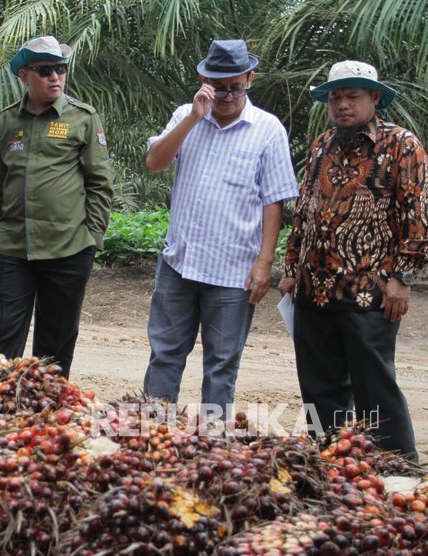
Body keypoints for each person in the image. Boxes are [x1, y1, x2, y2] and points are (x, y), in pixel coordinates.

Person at [279, 61, 427, 461]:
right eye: (336, 96)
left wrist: (402, 278)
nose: (343, 104)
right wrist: (292, 271)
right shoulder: (321, 145)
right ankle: (334, 468)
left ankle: (398, 473)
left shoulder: (401, 146)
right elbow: (304, 213)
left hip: (371, 292)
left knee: (375, 388)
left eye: (352, 96)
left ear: (374, 98)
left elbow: (416, 217)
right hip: (314, 290)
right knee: (319, 388)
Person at [142, 39, 298, 418]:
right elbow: (155, 162)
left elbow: (273, 201)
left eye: (236, 86)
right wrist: (194, 118)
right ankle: (151, 439)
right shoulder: (185, 115)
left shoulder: (268, 130)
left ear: (250, 79)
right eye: (219, 85)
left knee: (221, 364)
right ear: (203, 80)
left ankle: (212, 446)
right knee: (164, 354)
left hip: (233, 273)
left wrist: (264, 263)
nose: (227, 95)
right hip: (179, 262)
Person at [0, 35, 114, 378]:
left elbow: (100, 183)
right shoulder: (8, 121)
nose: (56, 77)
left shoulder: (83, 118)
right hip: (11, 246)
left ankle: (45, 417)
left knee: (55, 343)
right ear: (24, 76)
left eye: (60, 69)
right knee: (1, 336)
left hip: (68, 248)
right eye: (45, 70)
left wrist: (91, 238)